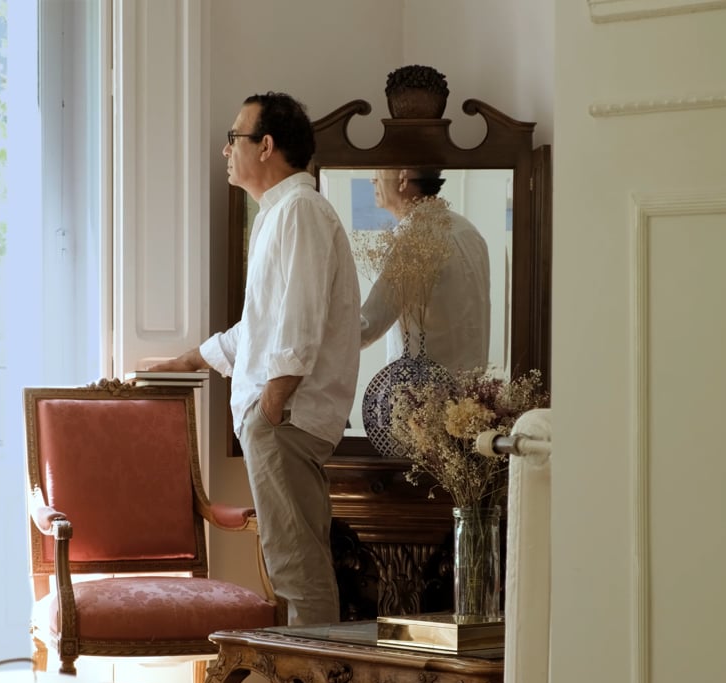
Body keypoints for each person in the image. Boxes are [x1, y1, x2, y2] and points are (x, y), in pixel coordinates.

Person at [146, 92, 361, 627]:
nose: (225, 150)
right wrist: (190, 359)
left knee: (297, 569)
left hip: (284, 417)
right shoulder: (280, 213)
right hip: (278, 416)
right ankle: (310, 675)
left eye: (233, 138)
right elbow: (262, 325)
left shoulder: (301, 211)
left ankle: (316, 680)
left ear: (265, 146)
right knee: (292, 564)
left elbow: (300, 318)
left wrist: (271, 405)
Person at [361, 169, 490, 372]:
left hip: (423, 386)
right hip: (472, 386)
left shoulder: (412, 239)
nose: (372, 180)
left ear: (403, 178)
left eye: (379, 171)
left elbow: (369, 325)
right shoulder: (469, 231)